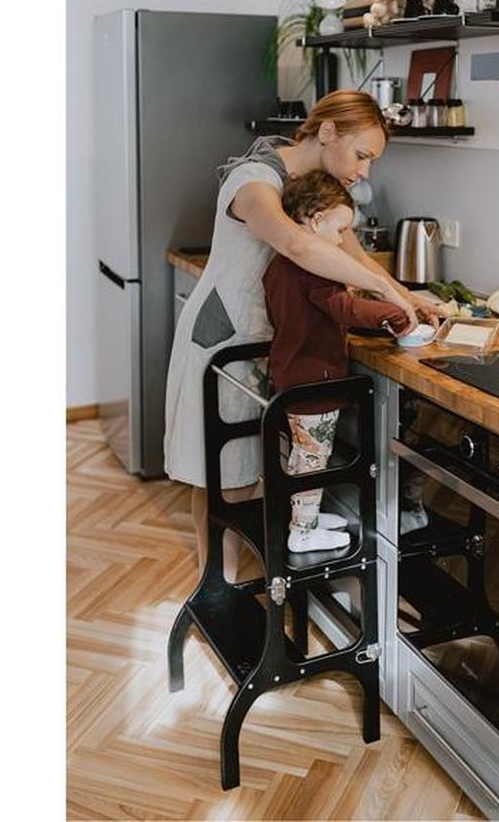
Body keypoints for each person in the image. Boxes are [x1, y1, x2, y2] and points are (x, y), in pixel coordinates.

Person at [163, 90, 442, 580]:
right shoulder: (254, 181)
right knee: (224, 477)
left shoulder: (314, 189)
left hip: (265, 343)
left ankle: (226, 583)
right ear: (328, 132)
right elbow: (295, 244)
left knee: (248, 473)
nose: (364, 171)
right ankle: (217, 587)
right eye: (362, 155)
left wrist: (408, 297)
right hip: (224, 338)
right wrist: (386, 292)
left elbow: (352, 254)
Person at [263, 170, 409, 553]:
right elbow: (345, 308)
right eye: (340, 229)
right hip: (314, 380)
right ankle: (303, 532)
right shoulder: (313, 268)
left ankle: (303, 518)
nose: (343, 240)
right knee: (313, 458)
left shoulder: (279, 263)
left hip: (288, 372)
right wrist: (393, 313)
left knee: (300, 455)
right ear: (315, 220)